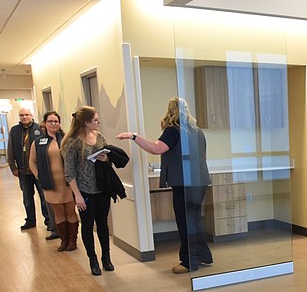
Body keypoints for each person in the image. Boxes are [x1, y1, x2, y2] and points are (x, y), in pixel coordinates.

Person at [117, 97, 213, 274]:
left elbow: (156, 148)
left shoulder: (173, 131)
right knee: (195, 220)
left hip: (185, 183)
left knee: (185, 222)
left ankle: (188, 262)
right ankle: (203, 255)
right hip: (200, 181)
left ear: (170, 110)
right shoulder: (197, 130)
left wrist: (134, 137)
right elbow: (204, 156)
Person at [62, 106, 115, 276]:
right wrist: (77, 195)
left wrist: (106, 158)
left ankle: (106, 257)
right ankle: (92, 259)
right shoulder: (72, 142)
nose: (98, 122)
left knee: (103, 223)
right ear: (86, 122)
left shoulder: (99, 137)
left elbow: (107, 158)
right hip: (84, 190)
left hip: (101, 188)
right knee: (87, 225)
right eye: (95, 120)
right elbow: (69, 172)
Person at [29, 111, 78, 252]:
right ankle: (63, 240)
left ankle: (72, 241)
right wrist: (40, 176)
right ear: (44, 124)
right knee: (58, 213)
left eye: (56, 121)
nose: (53, 124)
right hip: (50, 184)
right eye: (50, 121)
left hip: (68, 183)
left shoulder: (67, 139)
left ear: (59, 123)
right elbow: (32, 162)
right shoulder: (38, 143)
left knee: (70, 211)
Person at [8, 107, 56, 237]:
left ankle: (49, 221)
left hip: (39, 170)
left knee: (44, 197)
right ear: (19, 117)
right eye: (22, 115)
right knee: (27, 198)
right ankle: (30, 220)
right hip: (23, 171)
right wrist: (13, 167)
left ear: (32, 115)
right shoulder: (14, 131)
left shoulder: (39, 129)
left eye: (27, 115)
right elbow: (10, 149)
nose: (25, 117)